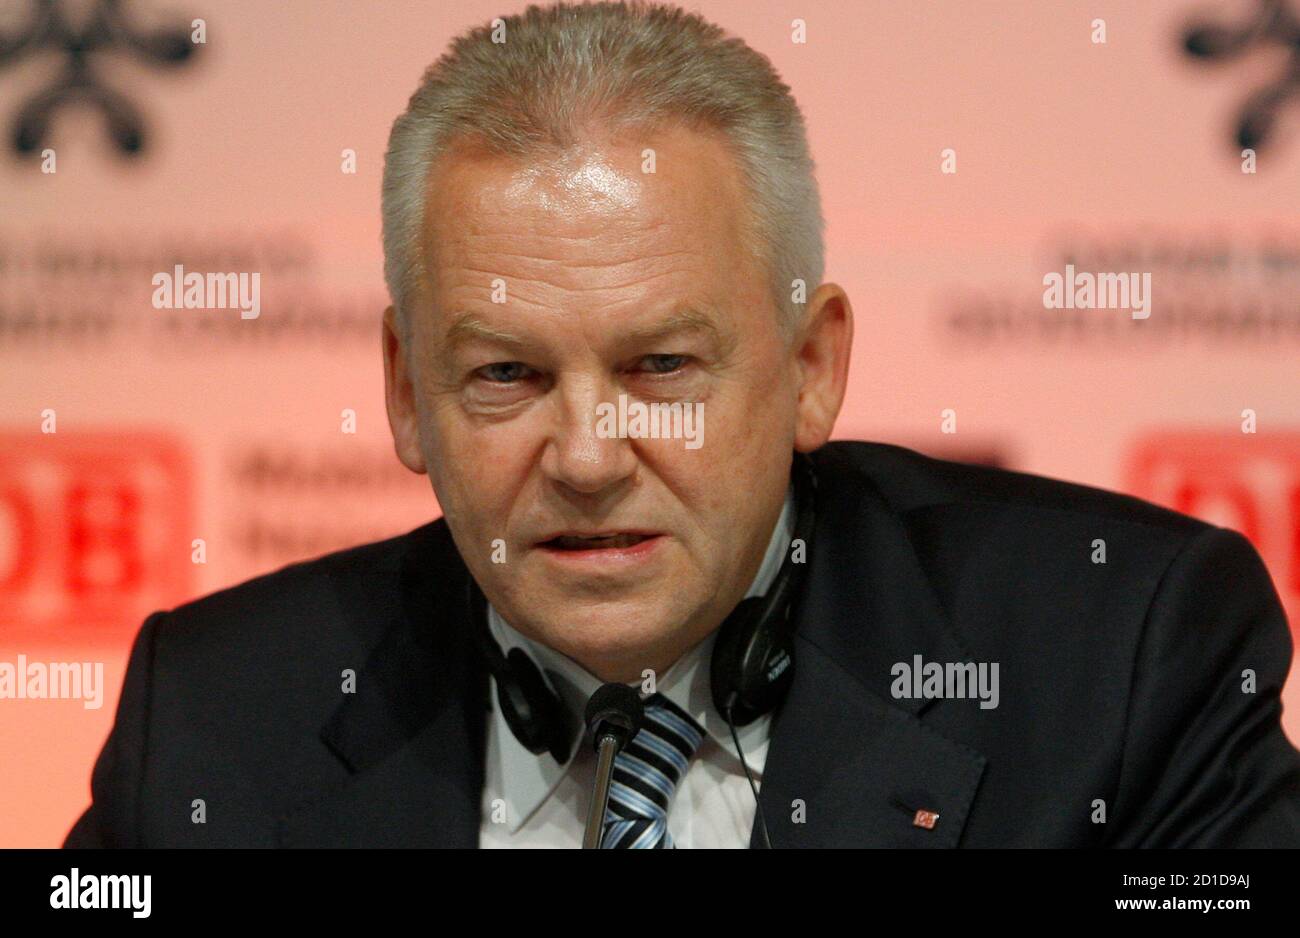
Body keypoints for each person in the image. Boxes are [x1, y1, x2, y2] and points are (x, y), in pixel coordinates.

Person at [66, 0, 1300, 848]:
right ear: (402, 389)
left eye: (662, 366)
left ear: (812, 368)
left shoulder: (1116, 661)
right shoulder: (216, 722)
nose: (590, 459)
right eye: (504, 375)